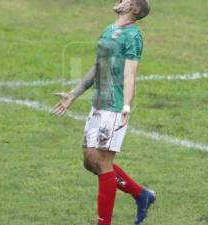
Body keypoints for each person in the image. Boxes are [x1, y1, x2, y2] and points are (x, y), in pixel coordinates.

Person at [52, 0, 154, 224]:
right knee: (90, 161)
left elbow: (130, 74)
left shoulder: (133, 36)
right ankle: (141, 194)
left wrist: (127, 104)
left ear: (134, 10)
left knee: (103, 163)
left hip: (115, 106)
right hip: (99, 103)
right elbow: (98, 66)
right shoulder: (109, 29)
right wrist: (73, 94)